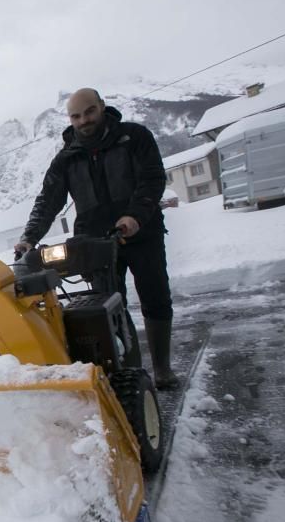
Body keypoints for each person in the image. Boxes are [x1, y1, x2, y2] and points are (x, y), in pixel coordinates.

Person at [14, 88, 178, 389]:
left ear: (102, 107)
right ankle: (131, 375)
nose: (83, 120)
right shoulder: (67, 158)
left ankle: (162, 368)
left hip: (142, 234)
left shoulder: (134, 138)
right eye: (75, 116)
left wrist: (134, 216)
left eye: (89, 112)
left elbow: (152, 180)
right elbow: (47, 201)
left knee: (156, 299)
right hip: (96, 246)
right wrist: (29, 238)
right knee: (109, 307)